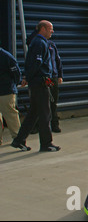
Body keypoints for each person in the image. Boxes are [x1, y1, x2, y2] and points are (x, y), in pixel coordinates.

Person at [11, 20, 61, 152]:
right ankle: (46, 143)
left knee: (33, 113)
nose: (52, 31)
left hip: (38, 82)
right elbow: (35, 64)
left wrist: (28, 77)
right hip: (40, 83)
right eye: (50, 29)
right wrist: (30, 78)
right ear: (43, 28)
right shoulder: (39, 43)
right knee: (45, 114)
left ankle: (19, 140)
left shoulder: (40, 42)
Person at [0, 46, 21, 146]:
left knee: (10, 115)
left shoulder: (6, 56)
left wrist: (12, 86)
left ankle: (18, 138)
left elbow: (16, 74)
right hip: (5, 90)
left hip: (6, 92)